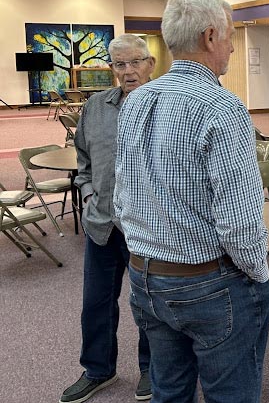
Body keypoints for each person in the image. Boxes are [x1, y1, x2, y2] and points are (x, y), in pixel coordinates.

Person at [114, 0, 269, 403]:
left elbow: (121, 199)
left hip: (145, 279)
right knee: (231, 395)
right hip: (209, 283)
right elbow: (240, 222)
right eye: (230, 35)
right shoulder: (222, 107)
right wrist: (258, 275)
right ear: (209, 36)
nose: (234, 45)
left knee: (169, 392)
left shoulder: (135, 102)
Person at [60, 35, 154, 403]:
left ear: (150, 64)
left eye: (135, 62)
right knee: (96, 303)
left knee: (148, 303)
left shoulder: (166, 106)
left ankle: (152, 367)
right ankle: (98, 370)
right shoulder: (95, 108)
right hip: (102, 225)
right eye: (120, 64)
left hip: (148, 228)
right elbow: (83, 163)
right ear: (111, 67)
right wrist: (88, 195)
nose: (128, 71)